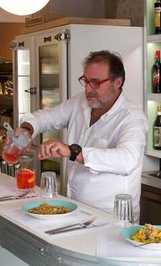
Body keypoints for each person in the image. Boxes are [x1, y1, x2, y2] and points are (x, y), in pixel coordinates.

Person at [10, 50, 147, 213]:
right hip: (73, 206)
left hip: (111, 215)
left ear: (117, 82)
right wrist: (27, 129)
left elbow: (127, 160)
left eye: (96, 83)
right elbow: (46, 118)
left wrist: (73, 152)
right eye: (86, 81)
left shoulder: (132, 117)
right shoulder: (80, 101)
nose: (89, 89)